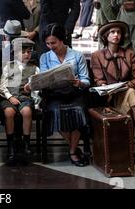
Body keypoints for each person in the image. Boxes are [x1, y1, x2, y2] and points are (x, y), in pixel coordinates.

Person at [90, 21, 135, 154]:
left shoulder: (129, 54)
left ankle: (128, 153)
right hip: (110, 98)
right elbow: (98, 80)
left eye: (119, 32)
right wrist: (104, 86)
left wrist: (125, 85)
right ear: (106, 36)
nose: (116, 35)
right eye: (112, 32)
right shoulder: (97, 56)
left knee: (131, 93)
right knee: (131, 95)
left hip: (130, 96)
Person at [39, 23, 90, 167]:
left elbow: (86, 80)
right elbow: (43, 79)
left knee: (79, 111)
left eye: (53, 42)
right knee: (55, 112)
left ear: (62, 40)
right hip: (55, 94)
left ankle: (73, 151)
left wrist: (78, 82)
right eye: (47, 43)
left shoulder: (77, 55)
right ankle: (74, 148)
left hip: (74, 92)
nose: (50, 46)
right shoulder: (45, 57)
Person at [0, 37, 39, 165]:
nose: (27, 54)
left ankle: (26, 143)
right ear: (15, 53)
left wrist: (32, 91)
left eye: (29, 51)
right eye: (23, 52)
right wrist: (10, 97)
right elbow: (2, 86)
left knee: (27, 112)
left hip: (25, 98)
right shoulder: (8, 67)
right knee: (9, 113)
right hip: (9, 97)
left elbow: (37, 88)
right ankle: (10, 144)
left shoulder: (35, 69)